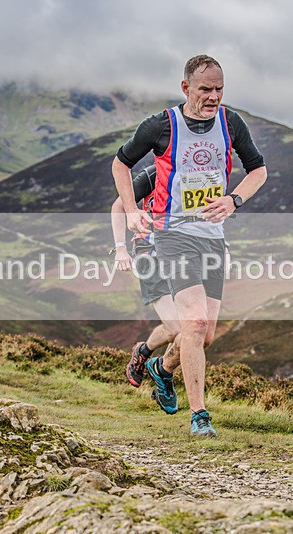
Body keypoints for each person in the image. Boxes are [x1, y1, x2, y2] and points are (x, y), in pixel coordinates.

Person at [112, 54, 268, 437]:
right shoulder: (161, 126)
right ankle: (200, 417)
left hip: (212, 238)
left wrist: (234, 200)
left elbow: (258, 171)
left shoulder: (232, 123)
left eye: (219, 89)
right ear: (186, 88)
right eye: (205, 89)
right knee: (192, 323)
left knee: (205, 334)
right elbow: (120, 165)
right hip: (171, 234)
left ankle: (161, 369)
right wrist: (132, 212)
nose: (213, 96)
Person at [110, 165, 181, 388]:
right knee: (177, 329)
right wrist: (120, 249)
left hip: (183, 256)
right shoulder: (155, 173)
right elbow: (119, 206)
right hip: (149, 253)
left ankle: (157, 366)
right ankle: (151, 362)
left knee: (194, 331)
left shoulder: (200, 175)